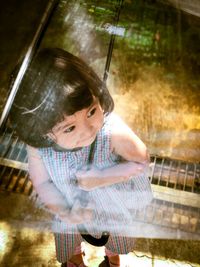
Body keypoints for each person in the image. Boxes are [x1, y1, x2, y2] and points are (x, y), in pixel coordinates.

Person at [10, 48, 153, 266]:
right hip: (69, 206)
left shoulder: (109, 129)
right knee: (69, 235)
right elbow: (42, 181)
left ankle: (112, 259)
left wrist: (103, 177)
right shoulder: (38, 146)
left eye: (91, 111)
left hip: (113, 208)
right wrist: (65, 211)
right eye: (69, 128)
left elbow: (141, 159)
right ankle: (75, 261)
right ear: (42, 131)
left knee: (114, 236)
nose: (87, 130)